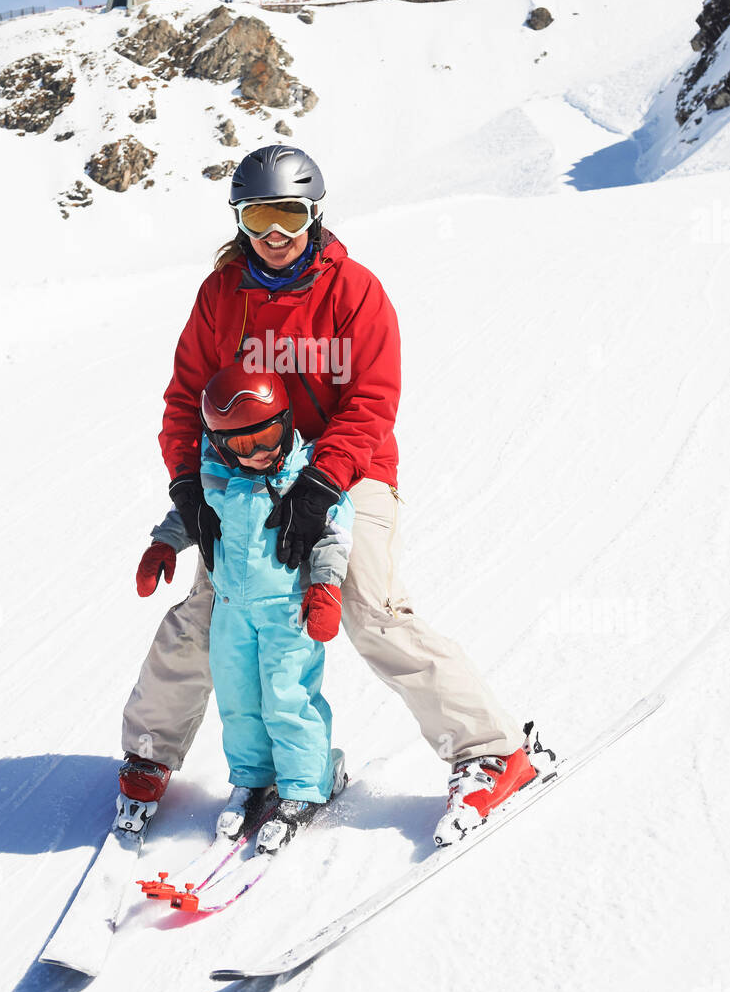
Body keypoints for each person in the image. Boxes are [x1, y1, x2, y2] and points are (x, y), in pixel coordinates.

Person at [117, 145, 549, 848]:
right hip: (249, 468)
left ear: (314, 214)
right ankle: (149, 753)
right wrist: (188, 484)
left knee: (368, 608)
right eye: (259, 216)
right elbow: (186, 398)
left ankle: (492, 751)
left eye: (289, 214)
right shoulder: (221, 295)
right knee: (212, 607)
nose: (275, 235)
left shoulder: (354, 292)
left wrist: (321, 481)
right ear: (239, 220)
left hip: (349, 470)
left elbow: (373, 401)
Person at [131, 363, 352, 852]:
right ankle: (253, 780)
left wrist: (326, 588)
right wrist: (164, 544)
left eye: (268, 438)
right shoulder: (214, 476)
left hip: (288, 613)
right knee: (239, 702)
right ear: (218, 441)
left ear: (288, 422)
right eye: (242, 446)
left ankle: (304, 786)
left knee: (288, 697)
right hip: (231, 611)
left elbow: (333, 536)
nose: (258, 455)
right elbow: (189, 517)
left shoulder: (307, 478)